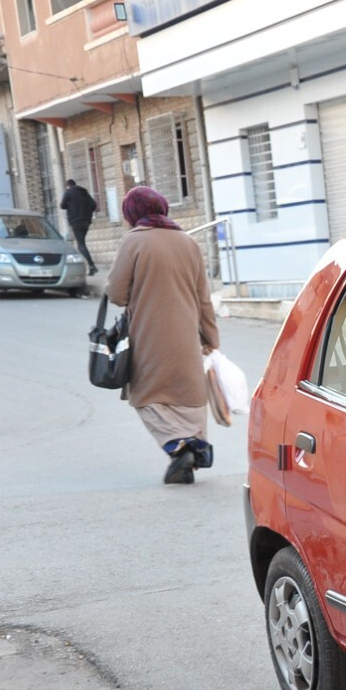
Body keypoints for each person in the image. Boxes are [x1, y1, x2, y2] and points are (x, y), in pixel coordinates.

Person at [106, 185, 221, 485]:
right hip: (186, 334)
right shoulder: (188, 242)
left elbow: (117, 294)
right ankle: (196, 444)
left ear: (132, 213)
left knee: (145, 395)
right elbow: (203, 297)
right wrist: (211, 338)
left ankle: (178, 446)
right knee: (190, 395)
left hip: (148, 335)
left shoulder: (133, 242)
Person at [59, 178, 98, 275]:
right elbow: (93, 204)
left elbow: (62, 205)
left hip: (76, 221)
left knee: (81, 245)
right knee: (81, 244)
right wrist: (87, 213)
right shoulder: (84, 192)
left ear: (67, 186)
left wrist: (71, 208)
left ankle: (91, 265)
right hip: (86, 221)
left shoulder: (68, 192)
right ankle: (87, 266)